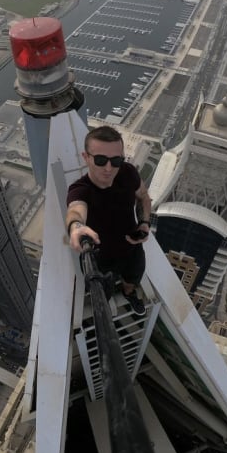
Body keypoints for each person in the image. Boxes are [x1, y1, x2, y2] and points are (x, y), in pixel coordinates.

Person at [65, 126, 152, 316]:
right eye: (100, 160)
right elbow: (76, 210)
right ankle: (107, 301)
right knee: (103, 291)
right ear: (86, 157)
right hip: (99, 257)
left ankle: (129, 294)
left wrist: (144, 223)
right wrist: (76, 227)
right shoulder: (80, 190)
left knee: (132, 280)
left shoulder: (128, 172)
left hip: (131, 248)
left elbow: (144, 197)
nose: (108, 168)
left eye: (116, 160)